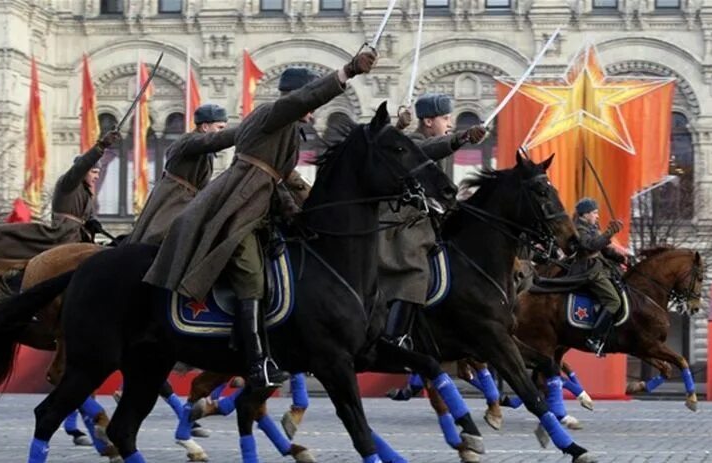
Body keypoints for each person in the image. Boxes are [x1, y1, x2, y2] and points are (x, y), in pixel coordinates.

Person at [144, 51, 378, 388]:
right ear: (297, 97)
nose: (313, 112)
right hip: (238, 209)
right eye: (309, 102)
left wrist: (301, 210)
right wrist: (346, 72)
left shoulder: (287, 129)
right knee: (251, 276)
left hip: (260, 206)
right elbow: (300, 107)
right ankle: (255, 361)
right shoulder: (275, 114)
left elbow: (282, 180)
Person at [378, 93, 487, 346]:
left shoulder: (441, 145)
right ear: (428, 121)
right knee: (415, 273)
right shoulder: (412, 142)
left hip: (431, 222)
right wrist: (460, 138)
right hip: (403, 225)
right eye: (446, 118)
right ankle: (395, 337)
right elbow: (423, 151)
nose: (450, 123)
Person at [0, 130, 121, 259]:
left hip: (79, 237)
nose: (97, 177)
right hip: (62, 237)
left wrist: (92, 222)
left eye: (98, 173)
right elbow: (81, 166)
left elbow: (86, 216)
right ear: (83, 172)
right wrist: (102, 146)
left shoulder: (86, 191)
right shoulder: (69, 183)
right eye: (94, 172)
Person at [126, 104, 237, 245]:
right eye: (219, 128)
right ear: (204, 127)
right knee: (161, 239)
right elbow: (211, 142)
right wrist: (246, 130)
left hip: (188, 199)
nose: (222, 132)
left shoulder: (202, 147)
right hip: (174, 198)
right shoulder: (189, 141)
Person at [572, 197, 626, 356]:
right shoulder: (579, 229)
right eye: (594, 213)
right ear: (585, 214)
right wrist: (609, 233)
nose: (597, 216)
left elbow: (604, 249)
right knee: (614, 301)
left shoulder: (592, 227)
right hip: (589, 271)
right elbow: (590, 246)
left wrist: (621, 257)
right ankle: (594, 338)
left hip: (601, 267)